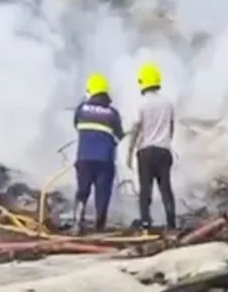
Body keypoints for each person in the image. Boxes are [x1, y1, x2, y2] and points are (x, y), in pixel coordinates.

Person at [126, 62, 177, 230]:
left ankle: (146, 222)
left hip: (146, 152)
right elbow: (171, 128)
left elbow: (135, 129)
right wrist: (166, 142)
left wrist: (129, 152)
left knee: (145, 190)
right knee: (166, 189)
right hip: (164, 151)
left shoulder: (141, 104)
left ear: (142, 82)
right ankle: (171, 223)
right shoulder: (168, 103)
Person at [72, 73, 124, 234]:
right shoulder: (112, 113)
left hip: (84, 158)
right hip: (105, 160)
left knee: (82, 191)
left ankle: (77, 223)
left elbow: (76, 125)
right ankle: (99, 226)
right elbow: (119, 135)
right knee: (102, 194)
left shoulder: (81, 109)